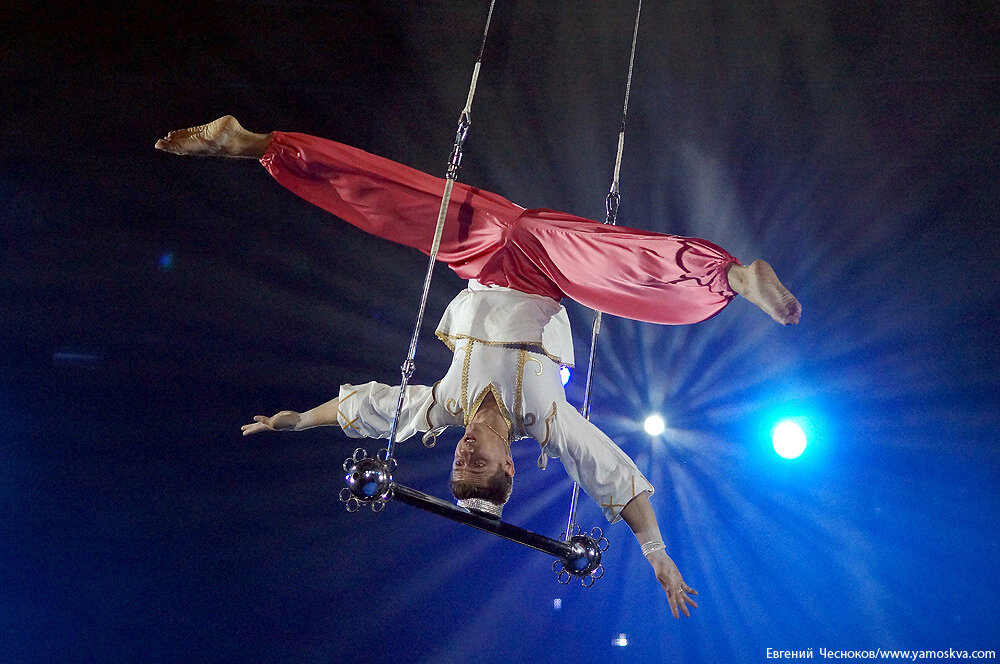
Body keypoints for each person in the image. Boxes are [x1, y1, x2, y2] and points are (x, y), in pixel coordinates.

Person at [156, 116, 802, 619]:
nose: (464, 449)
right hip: (548, 268)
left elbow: (365, 409)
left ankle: (251, 144)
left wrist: (295, 421)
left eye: (457, 460)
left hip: (482, 254)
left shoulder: (442, 405)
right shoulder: (545, 420)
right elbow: (615, 478)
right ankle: (733, 278)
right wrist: (657, 555)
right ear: (510, 465)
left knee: (394, 204)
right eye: (479, 462)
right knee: (615, 268)